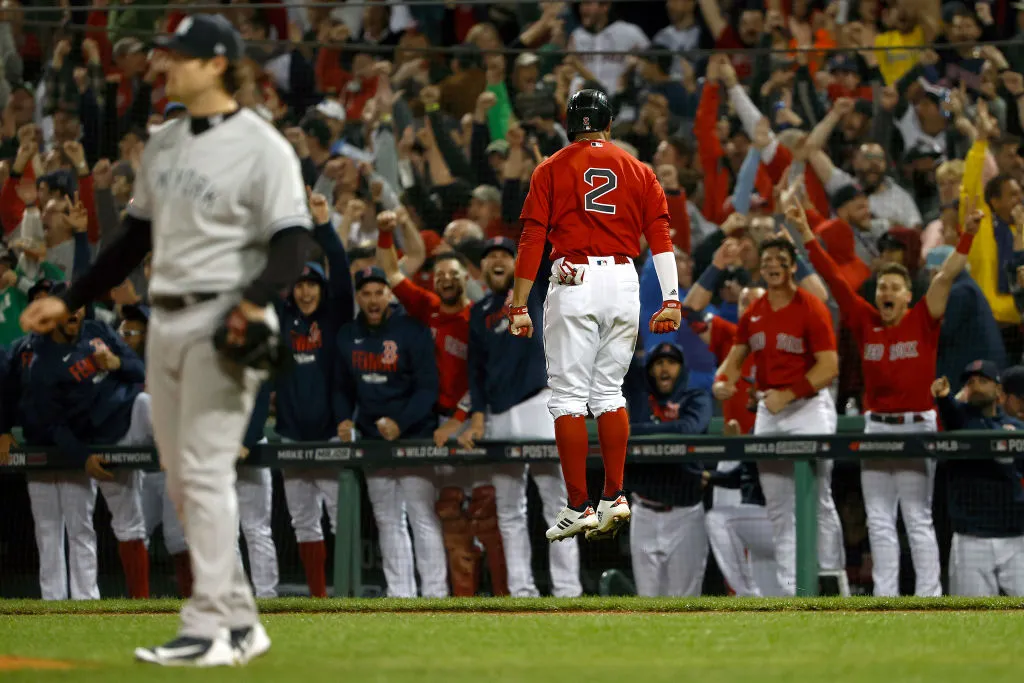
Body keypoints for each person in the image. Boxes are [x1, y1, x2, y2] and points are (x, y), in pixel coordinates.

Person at [21, 14, 314, 666]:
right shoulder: (163, 143)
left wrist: (253, 302)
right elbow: (133, 241)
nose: (166, 65)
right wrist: (69, 297)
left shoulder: (262, 145)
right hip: (167, 317)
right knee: (185, 479)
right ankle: (242, 621)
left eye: (179, 56)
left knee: (205, 467)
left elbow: (295, 243)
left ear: (217, 64)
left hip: (230, 315)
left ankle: (209, 624)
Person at [509, 89, 681, 542]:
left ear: (571, 124)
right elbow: (660, 234)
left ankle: (578, 505)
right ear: (608, 124)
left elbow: (532, 238)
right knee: (609, 393)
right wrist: (672, 298)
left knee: (568, 398)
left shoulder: (550, 167)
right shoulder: (639, 169)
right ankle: (615, 495)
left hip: (576, 279)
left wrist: (518, 304)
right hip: (625, 280)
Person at [795, 199, 984, 596]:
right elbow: (833, 279)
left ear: (908, 295)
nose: (886, 291)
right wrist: (807, 236)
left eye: (894, 287)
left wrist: (967, 235)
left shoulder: (922, 319)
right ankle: (885, 596)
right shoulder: (864, 320)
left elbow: (947, 276)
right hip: (877, 425)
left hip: (917, 423)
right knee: (879, 518)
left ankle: (929, 596)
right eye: (882, 285)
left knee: (916, 517)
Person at [375, 212, 509, 597]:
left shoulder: (478, 317)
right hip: (438, 423)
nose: (447, 280)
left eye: (454, 275)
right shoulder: (428, 307)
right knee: (450, 513)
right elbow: (391, 272)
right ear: (434, 282)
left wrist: (461, 419)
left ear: (467, 279)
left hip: (473, 420)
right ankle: (460, 603)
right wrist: (387, 233)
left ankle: (505, 601)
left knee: (487, 515)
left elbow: (480, 376)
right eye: (441, 276)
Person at [713, 235, 843, 596]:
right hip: (772, 410)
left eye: (778, 259)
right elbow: (736, 358)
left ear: (791, 266)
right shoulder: (754, 312)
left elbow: (829, 366)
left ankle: (831, 580)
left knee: (817, 499)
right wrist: (723, 380)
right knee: (779, 508)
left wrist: (789, 393)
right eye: (766, 259)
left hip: (808, 408)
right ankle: (792, 591)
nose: (771, 264)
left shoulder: (811, 307)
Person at [458, 236, 582, 598]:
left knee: (557, 503)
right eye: (489, 256)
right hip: (498, 414)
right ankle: (521, 591)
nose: (497, 260)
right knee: (509, 510)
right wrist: (478, 416)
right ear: (481, 268)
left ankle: (567, 590)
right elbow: (475, 371)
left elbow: (543, 249)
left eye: (504, 255)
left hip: (536, 405)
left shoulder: (535, 289)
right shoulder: (479, 310)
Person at [334, 266, 448, 599]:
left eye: (378, 292)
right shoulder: (347, 335)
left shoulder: (412, 330)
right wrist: (344, 418)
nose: (372, 299)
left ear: (389, 294)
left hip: (415, 435)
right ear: (358, 297)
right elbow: (341, 387)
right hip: (372, 438)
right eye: (366, 293)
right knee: (387, 519)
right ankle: (401, 595)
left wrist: (401, 422)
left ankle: (436, 595)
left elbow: (428, 388)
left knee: (421, 515)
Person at [27, 306, 153, 600]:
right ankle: (140, 602)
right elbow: (54, 424)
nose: (75, 312)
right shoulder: (43, 361)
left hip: (131, 416)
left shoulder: (98, 331)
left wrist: (116, 362)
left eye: (79, 305)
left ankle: (185, 457)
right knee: (128, 522)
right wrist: (82, 457)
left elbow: (140, 370)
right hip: (99, 441)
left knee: (149, 402)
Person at [275, 193, 352, 598]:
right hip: (290, 435)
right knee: (303, 521)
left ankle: (342, 594)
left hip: (328, 435)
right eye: (300, 286)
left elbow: (340, 271)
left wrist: (324, 228)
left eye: (312, 285)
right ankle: (319, 596)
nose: (306, 293)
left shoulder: (334, 316)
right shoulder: (281, 320)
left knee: (340, 520)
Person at [622, 342, 712, 596]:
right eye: (658, 363)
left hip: (684, 514)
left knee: (684, 602)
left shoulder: (695, 397)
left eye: (671, 363)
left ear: (681, 369)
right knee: (647, 601)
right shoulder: (639, 395)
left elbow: (689, 429)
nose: (665, 368)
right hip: (644, 512)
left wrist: (635, 432)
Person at [933, 363, 1024, 596]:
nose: (975, 386)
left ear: (998, 392)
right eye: (970, 382)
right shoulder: (960, 423)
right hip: (971, 537)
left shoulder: (1016, 428)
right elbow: (949, 410)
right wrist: (948, 397)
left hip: (1015, 537)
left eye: (982, 381)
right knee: (972, 618)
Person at [121, 303, 193, 599]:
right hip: (139, 469)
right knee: (133, 532)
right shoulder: (116, 365)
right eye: (126, 330)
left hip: (171, 467)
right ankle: (138, 603)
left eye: (137, 330)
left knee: (178, 539)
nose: (130, 336)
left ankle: (193, 601)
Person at [236, 385, 279, 599]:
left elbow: (260, 403)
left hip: (252, 449)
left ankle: (266, 596)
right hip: (219, 449)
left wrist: (246, 442)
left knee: (257, 529)